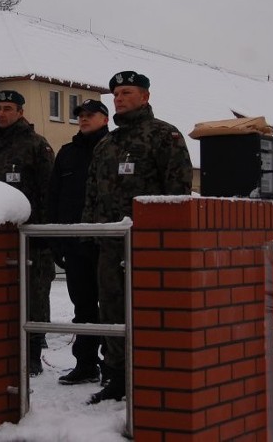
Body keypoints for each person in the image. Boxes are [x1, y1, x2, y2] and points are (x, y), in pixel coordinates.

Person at [82, 71, 192, 404]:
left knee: (149, 309)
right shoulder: (107, 143)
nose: (119, 98)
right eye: (115, 93)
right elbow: (92, 193)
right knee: (112, 311)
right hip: (111, 245)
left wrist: (169, 240)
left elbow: (178, 191)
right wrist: (88, 234)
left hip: (148, 248)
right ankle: (117, 377)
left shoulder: (164, 136)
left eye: (127, 92)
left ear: (145, 97)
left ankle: (151, 375)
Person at [0, 89, 55, 376]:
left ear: (20, 112)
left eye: (8, 108)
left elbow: (47, 193)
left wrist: (44, 237)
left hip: (30, 239)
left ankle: (32, 354)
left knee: (32, 296)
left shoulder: (36, 146)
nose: (2, 113)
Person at [46, 98, 110, 386]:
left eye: (90, 115)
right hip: (75, 244)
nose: (84, 119)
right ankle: (85, 364)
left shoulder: (114, 149)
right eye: (81, 115)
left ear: (105, 119)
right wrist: (57, 240)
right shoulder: (67, 154)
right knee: (83, 308)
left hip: (108, 243)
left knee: (111, 307)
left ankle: (114, 367)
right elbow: (55, 198)